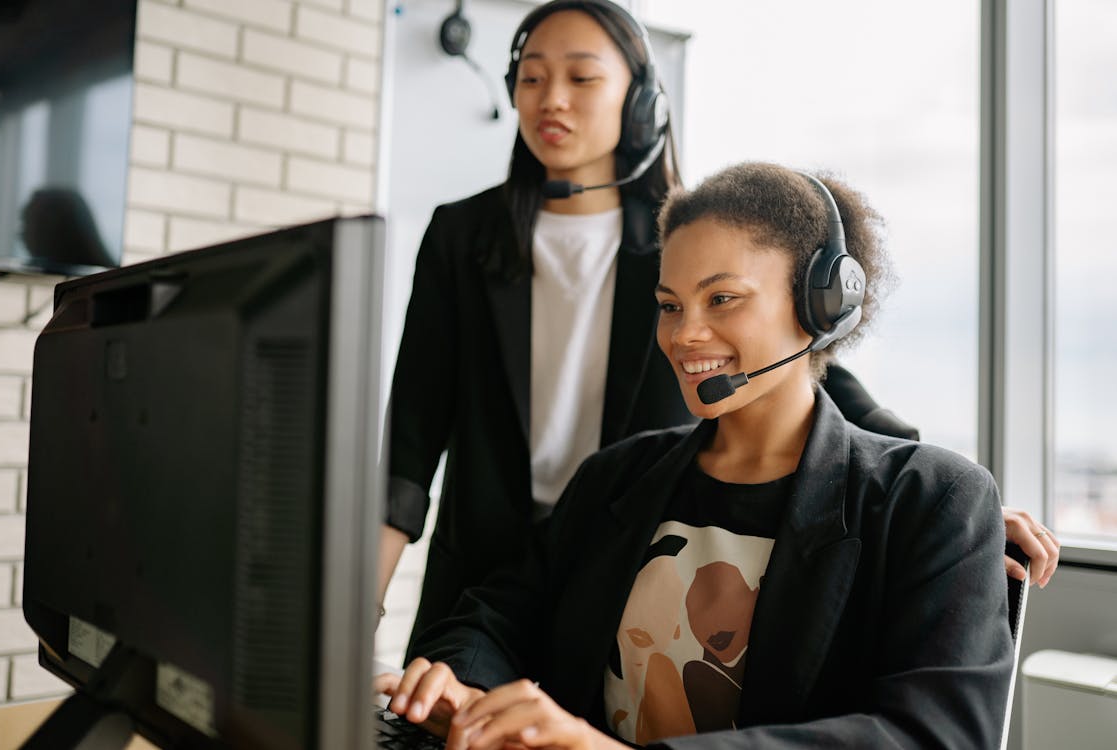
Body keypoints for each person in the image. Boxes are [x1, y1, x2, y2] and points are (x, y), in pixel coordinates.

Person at [379, 0, 1058, 651]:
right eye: (530, 78)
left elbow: (800, 362)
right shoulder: (461, 234)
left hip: (625, 555)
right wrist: (362, 601)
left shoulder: (684, 238)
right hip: (485, 574)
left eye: (581, 76)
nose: (550, 99)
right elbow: (411, 434)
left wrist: (934, 508)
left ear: (643, 101)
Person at [376, 162, 1015, 748]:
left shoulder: (932, 499)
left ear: (821, 306)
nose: (684, 334)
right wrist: (460, 684)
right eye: (669, 305)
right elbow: (493, 616)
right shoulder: (617, 478)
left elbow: (938, 735)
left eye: (722, 299)